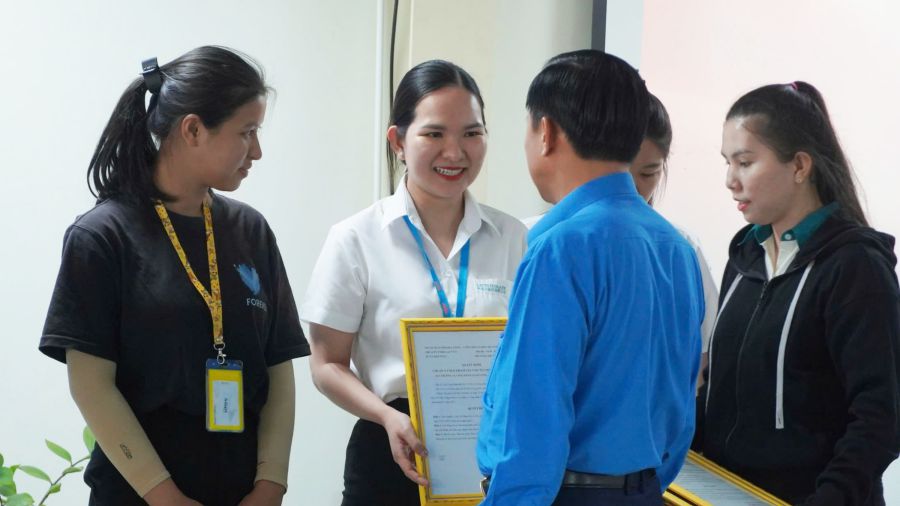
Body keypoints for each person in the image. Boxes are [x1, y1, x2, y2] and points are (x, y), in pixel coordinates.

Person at [39, 46, 309, 506]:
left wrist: (270, 485)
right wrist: (164, 497)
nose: (257, 151)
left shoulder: (250, 230)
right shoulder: (102, 236)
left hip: (242, 493)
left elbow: (277, 369)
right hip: (140, 495)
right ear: (193, 130)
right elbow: (91, 384)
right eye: (247, 132)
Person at [477, 50, 704, 505]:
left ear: (546, 132)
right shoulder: (676, 248)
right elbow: (681, 404)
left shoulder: (560, 246)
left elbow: (535, 415)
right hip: (644, 492)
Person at [300, 60, 527, 506]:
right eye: (434, 134)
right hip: (391, 445)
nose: (455, 152)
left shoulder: (514, 238)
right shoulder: (357, 238)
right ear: (398, 140)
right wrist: (387, 417)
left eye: (472, 133)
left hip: (490, 451)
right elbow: (326, 365)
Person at [698, 81, 900, 505]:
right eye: (727, 163)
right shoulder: (746, 254)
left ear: (800, 166)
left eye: (745, 162)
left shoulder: (854, 265)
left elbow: (881, 417)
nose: (730, 181)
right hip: (726, 492)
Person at [630, 93, 719, 388]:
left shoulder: (682, 249)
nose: (630, 189)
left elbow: (705, 360)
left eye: (648, 173)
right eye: (617, 174)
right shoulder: (537, 240)